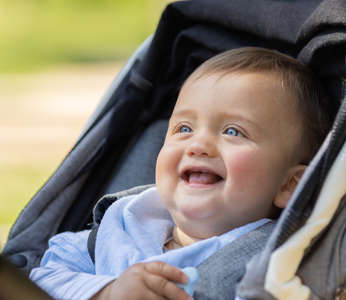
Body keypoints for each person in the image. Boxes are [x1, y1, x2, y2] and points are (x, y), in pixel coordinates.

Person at [30, 47, 334, 300]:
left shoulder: (276, 265)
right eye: (184, 128)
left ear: (289, 185)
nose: (198, 144)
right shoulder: (122, 225)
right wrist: (106, 292)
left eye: (233, 131)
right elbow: (37, 282)